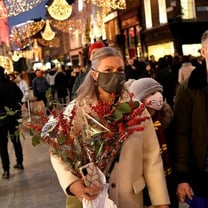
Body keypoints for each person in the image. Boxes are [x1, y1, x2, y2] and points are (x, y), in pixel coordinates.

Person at [49, 47, 170, 208]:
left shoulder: (136, 110)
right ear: (94, 74)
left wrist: (160, 202)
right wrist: (72, 183)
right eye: (108, 70)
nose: (115, 74)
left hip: (130, 198)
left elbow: (152, 159)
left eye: (120, 70)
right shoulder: (77, 110)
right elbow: (58, 150)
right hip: (93, 198)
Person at [128, 78, 177, 208]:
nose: (157, 96)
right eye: (150, 93)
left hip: (170, 179)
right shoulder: (134, 125)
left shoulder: (168, 119)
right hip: (145, 187)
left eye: (157, 91)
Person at [174, 30, 208, 203]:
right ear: (204, 52)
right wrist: (182, 177)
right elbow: (181, 133)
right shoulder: (190, 87)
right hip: (203, 174)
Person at [0, 66, 24, 179]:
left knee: (2, 145)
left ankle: (6, 170)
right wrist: (16, 107)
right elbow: (21, 96)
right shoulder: (11, 84)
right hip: (13, 117)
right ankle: (20, 162)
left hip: (1, 120)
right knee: (16, 140)